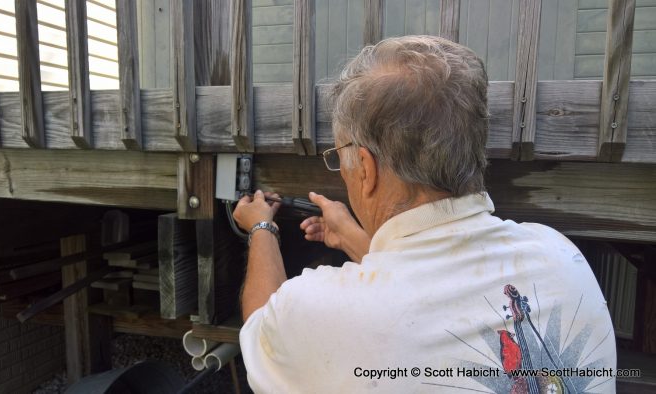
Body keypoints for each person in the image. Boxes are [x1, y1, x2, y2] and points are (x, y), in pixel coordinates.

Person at [232, 35, 616, 393]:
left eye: (340, 158)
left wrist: (261, 226)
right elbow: (436, 293)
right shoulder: (560, 255)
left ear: (365, 168)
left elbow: (261, 333)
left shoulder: (316, 310)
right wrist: (357, 240)